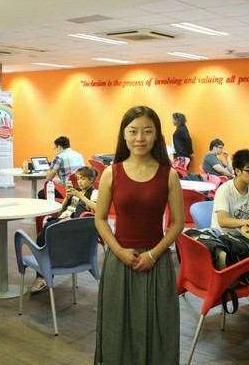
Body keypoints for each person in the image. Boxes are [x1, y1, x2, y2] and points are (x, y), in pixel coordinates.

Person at [94, 106, 184, 365]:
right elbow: (100, 219)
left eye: (147, 131)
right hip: (120, 261)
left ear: (156, 135)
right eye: (133, 131)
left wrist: (153, 255)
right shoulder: (112, 172)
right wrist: (119, 251)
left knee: (159, 327)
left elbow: (177, 223)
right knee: (117, 327)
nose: (140, 138)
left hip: (157, 262)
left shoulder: (169, 175)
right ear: (124, 135)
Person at [30, 166, 99, 294]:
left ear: (91, 180)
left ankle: (44, 275)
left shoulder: (94, 193)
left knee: (48, 236)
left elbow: (97, 208)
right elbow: (59, 212)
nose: (80, 182)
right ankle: (43, 275)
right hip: (63, 220)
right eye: (78, 179)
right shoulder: (75, 191)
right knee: (44, 235)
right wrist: (67, 198)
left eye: (83, 179)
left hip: (75, 226)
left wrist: (80, 196)